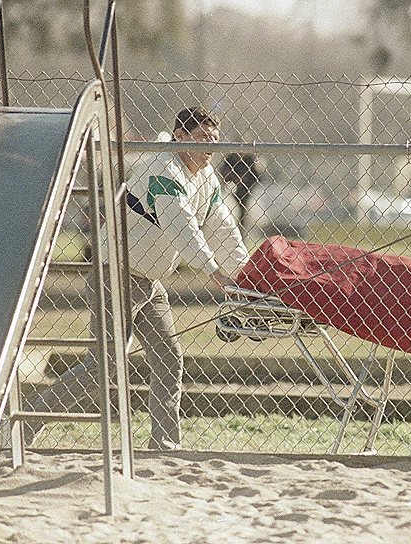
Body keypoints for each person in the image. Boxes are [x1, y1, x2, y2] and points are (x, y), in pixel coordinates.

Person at [26, 106, 248, 450]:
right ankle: (27, 424)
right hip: (116, 273)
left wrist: (244, 272)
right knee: (103, 367)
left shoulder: (206, 178)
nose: (210, 147)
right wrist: (212, 270)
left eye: (215, 140)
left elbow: (222, 227)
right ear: (180, 136)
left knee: (168, 357)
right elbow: (181, 226)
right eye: (203, 138)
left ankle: (164, 444)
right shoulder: (162, 168)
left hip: (150, 280)